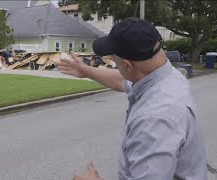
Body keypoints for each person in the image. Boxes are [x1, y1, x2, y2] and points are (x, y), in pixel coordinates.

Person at [58, 17, 208, 180]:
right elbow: (122, 80)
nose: (114, 64)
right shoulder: (168, 76)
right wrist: (86, 70)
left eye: (114, 60)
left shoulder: (154, 121)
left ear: (128, 66)